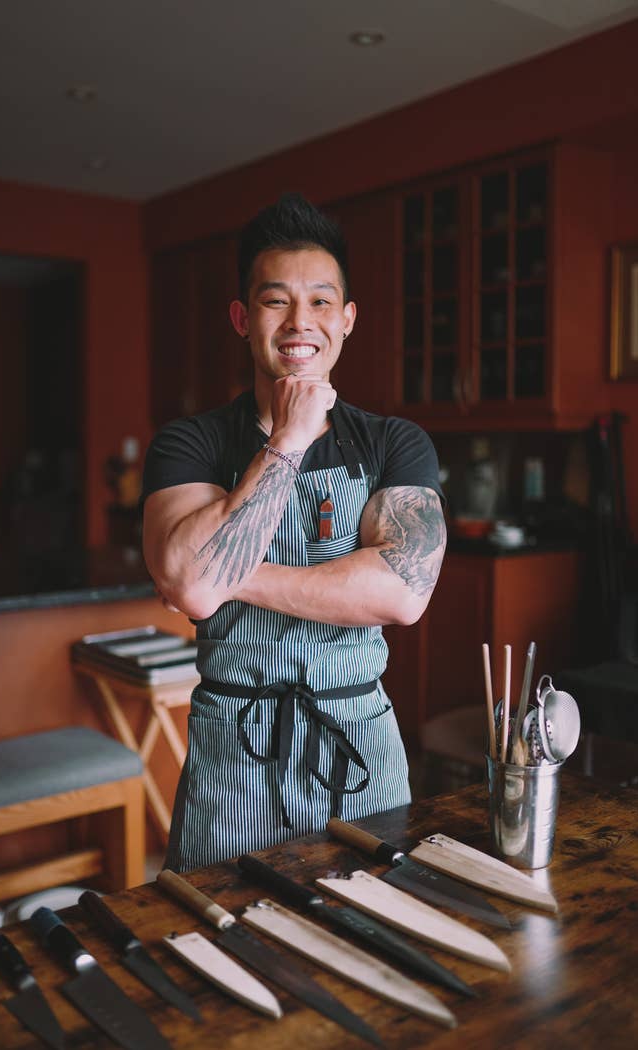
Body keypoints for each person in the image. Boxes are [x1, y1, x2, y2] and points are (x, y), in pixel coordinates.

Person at [142, 192, 446, 872]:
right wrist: (289, 438)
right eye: (276, 301)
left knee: (371, 948)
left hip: (359, 744)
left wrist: (221, 576)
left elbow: (401, 593)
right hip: (234, 753)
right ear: (242, 319)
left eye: (319, 301)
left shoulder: (395, 444)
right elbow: (191, 582)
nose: (298, 321)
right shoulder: (190, 443)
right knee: (218, 952)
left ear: (347, 319)